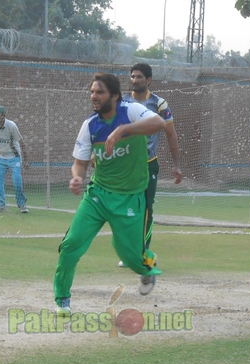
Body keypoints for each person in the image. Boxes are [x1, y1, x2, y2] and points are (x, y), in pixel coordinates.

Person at [53, 72, 166, 315]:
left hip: (129, 196)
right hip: (98, 196)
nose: (94, 96)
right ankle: (63, 300)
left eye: (99, 92)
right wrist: (76, 177)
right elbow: (80, 162)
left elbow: (159, 124)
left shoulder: (131, 111)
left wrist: (124, 130)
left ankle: (149, 264)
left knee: (133, 257)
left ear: (114, 96)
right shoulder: (90, 125)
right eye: (92, 92)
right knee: (71, 244)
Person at [116, 63, 183, 267]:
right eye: (132, 77)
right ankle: (128, 253)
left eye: (139, 77)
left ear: (149, 80)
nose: (134, 80)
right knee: (126, 209)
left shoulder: (159, 104)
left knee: (146, 209)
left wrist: (176, 165)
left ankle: (143, 254)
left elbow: (171, 134)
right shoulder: (123, 102)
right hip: (126, 166)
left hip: (148, 164)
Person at [0, 106, 29, 213]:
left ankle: (22, 205)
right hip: (1, 158)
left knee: (17, 181)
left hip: (14, 157)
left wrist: (25, 160)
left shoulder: (11, 126)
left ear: (2, 115)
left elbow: (22, 143)